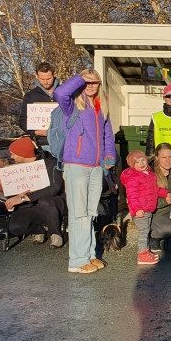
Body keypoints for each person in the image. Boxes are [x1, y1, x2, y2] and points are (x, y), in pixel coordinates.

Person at [54, 69, 117, 274]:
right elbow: (60, 93)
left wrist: (109, 156)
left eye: (95, 82)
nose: (91, 86)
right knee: (78, 213)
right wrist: (81, 78)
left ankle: (89, 255)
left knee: (90, 213)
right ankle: (77, 260)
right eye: (87, 82)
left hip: (96, 167)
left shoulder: (101, 107)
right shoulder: (71, 104)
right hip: (77, 165)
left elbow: (108, 135)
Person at [2, 137, 68, 248]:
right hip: (30, 206)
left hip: (54, 202)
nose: (11, 157)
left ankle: (56, 233)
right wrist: (14, 199)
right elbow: (11, 191)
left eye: (13, 154)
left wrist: (26, 197)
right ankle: (39, 230)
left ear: (22, 154)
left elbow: (54, 188)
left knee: (45, 201)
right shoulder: (15, 167)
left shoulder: (50, 163)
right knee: (15, 227)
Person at [121, 150, 168, 265]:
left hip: (148, 209)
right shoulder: (133, 177)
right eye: (137, 162)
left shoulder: (149, 174)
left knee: (146, 231)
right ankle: (142, 255)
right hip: (140, 211)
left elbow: (154, 189)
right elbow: (131, 195)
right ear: (133, 165)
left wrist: (166, 193)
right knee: (143, 231)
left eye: (143, 160)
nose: (141, 163)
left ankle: (145, 251)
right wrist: (137, 209)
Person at [18, 62, 60, 149]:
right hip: (42, 144)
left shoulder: (64, 93)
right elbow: (23, 120)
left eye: (48, 79)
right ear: (37, 76)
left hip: (63, 141)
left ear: (54, 75)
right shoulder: (30, 96)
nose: (45, 82)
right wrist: (35, 132)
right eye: (42, 79)